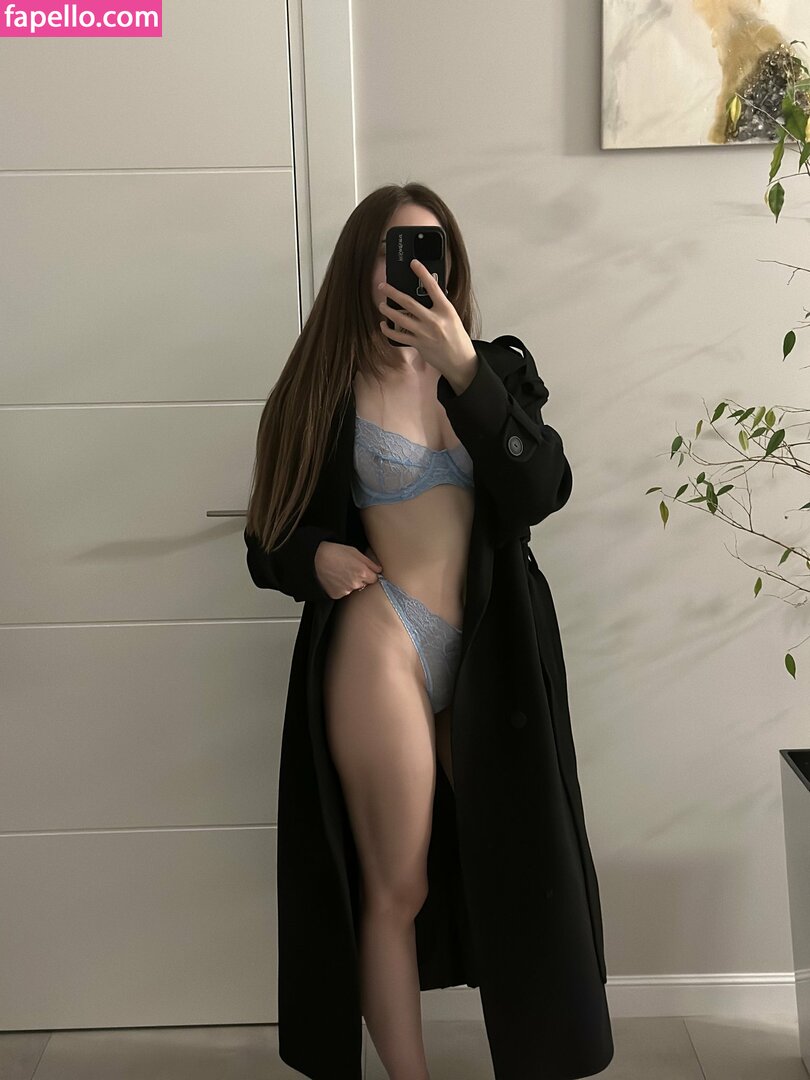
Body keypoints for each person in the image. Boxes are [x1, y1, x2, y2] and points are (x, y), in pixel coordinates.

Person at [244, 182, 614, 1080]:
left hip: (492, 651)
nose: (409, 266)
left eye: (428, 247)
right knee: (396, 882)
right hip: (384, 639)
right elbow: (267, 536)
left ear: (450, 263)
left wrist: (466, 374)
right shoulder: (321, 386)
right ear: (359, 265)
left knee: (520, 869)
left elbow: (543, 491)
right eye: (390, 248)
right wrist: (314, 557)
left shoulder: (495, 372)